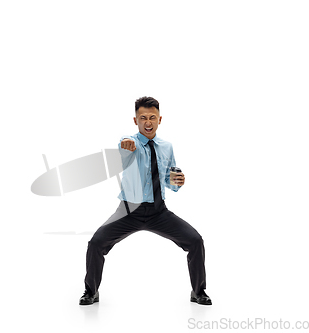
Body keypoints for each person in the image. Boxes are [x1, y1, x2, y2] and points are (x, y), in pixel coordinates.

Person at [79, 96, 211, 305]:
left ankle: (198, 292)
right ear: (135, 121)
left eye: (152, 117)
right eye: (142, 118)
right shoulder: (129, 142)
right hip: (128, 212)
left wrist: (178, 181)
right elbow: (124, 147)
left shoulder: (166, 147)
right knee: (96, 243)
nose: (147, 122)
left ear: (160, 119)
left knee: (195, 241)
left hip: (159, 212)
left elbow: (170, 180)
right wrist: (126, 145)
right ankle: (91, 292)